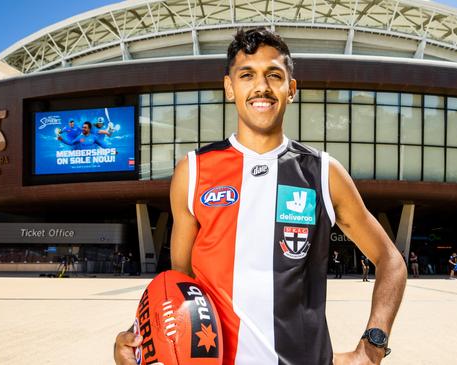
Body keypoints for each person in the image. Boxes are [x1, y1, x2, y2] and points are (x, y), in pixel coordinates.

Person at [114, 27, 406, 365]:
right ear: (229, 87)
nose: (262, 87)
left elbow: (391, 261)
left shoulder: (323, 173)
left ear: (291, 88)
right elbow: (179, 286)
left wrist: (371, 348)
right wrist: (139, 343)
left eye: (274, 75)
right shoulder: (193, 171)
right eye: (247, 75)